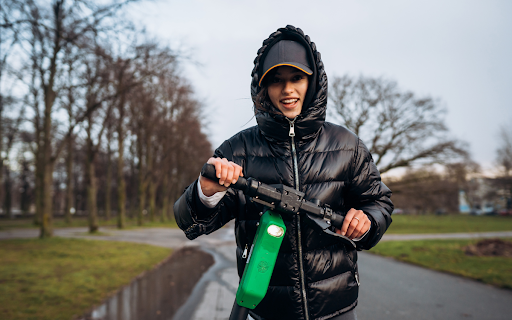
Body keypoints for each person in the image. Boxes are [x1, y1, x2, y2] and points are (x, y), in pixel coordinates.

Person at [174, 25, 393, 320]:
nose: (287, 90)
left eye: (297, 78)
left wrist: (367, 221)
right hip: (266, 310)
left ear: (312, 82)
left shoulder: (346, 145)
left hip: (336, 308)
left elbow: (379, 203)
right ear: (263, 87)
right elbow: (191, 222)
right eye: (277, 81)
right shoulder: (238, 150)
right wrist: (206, 192)